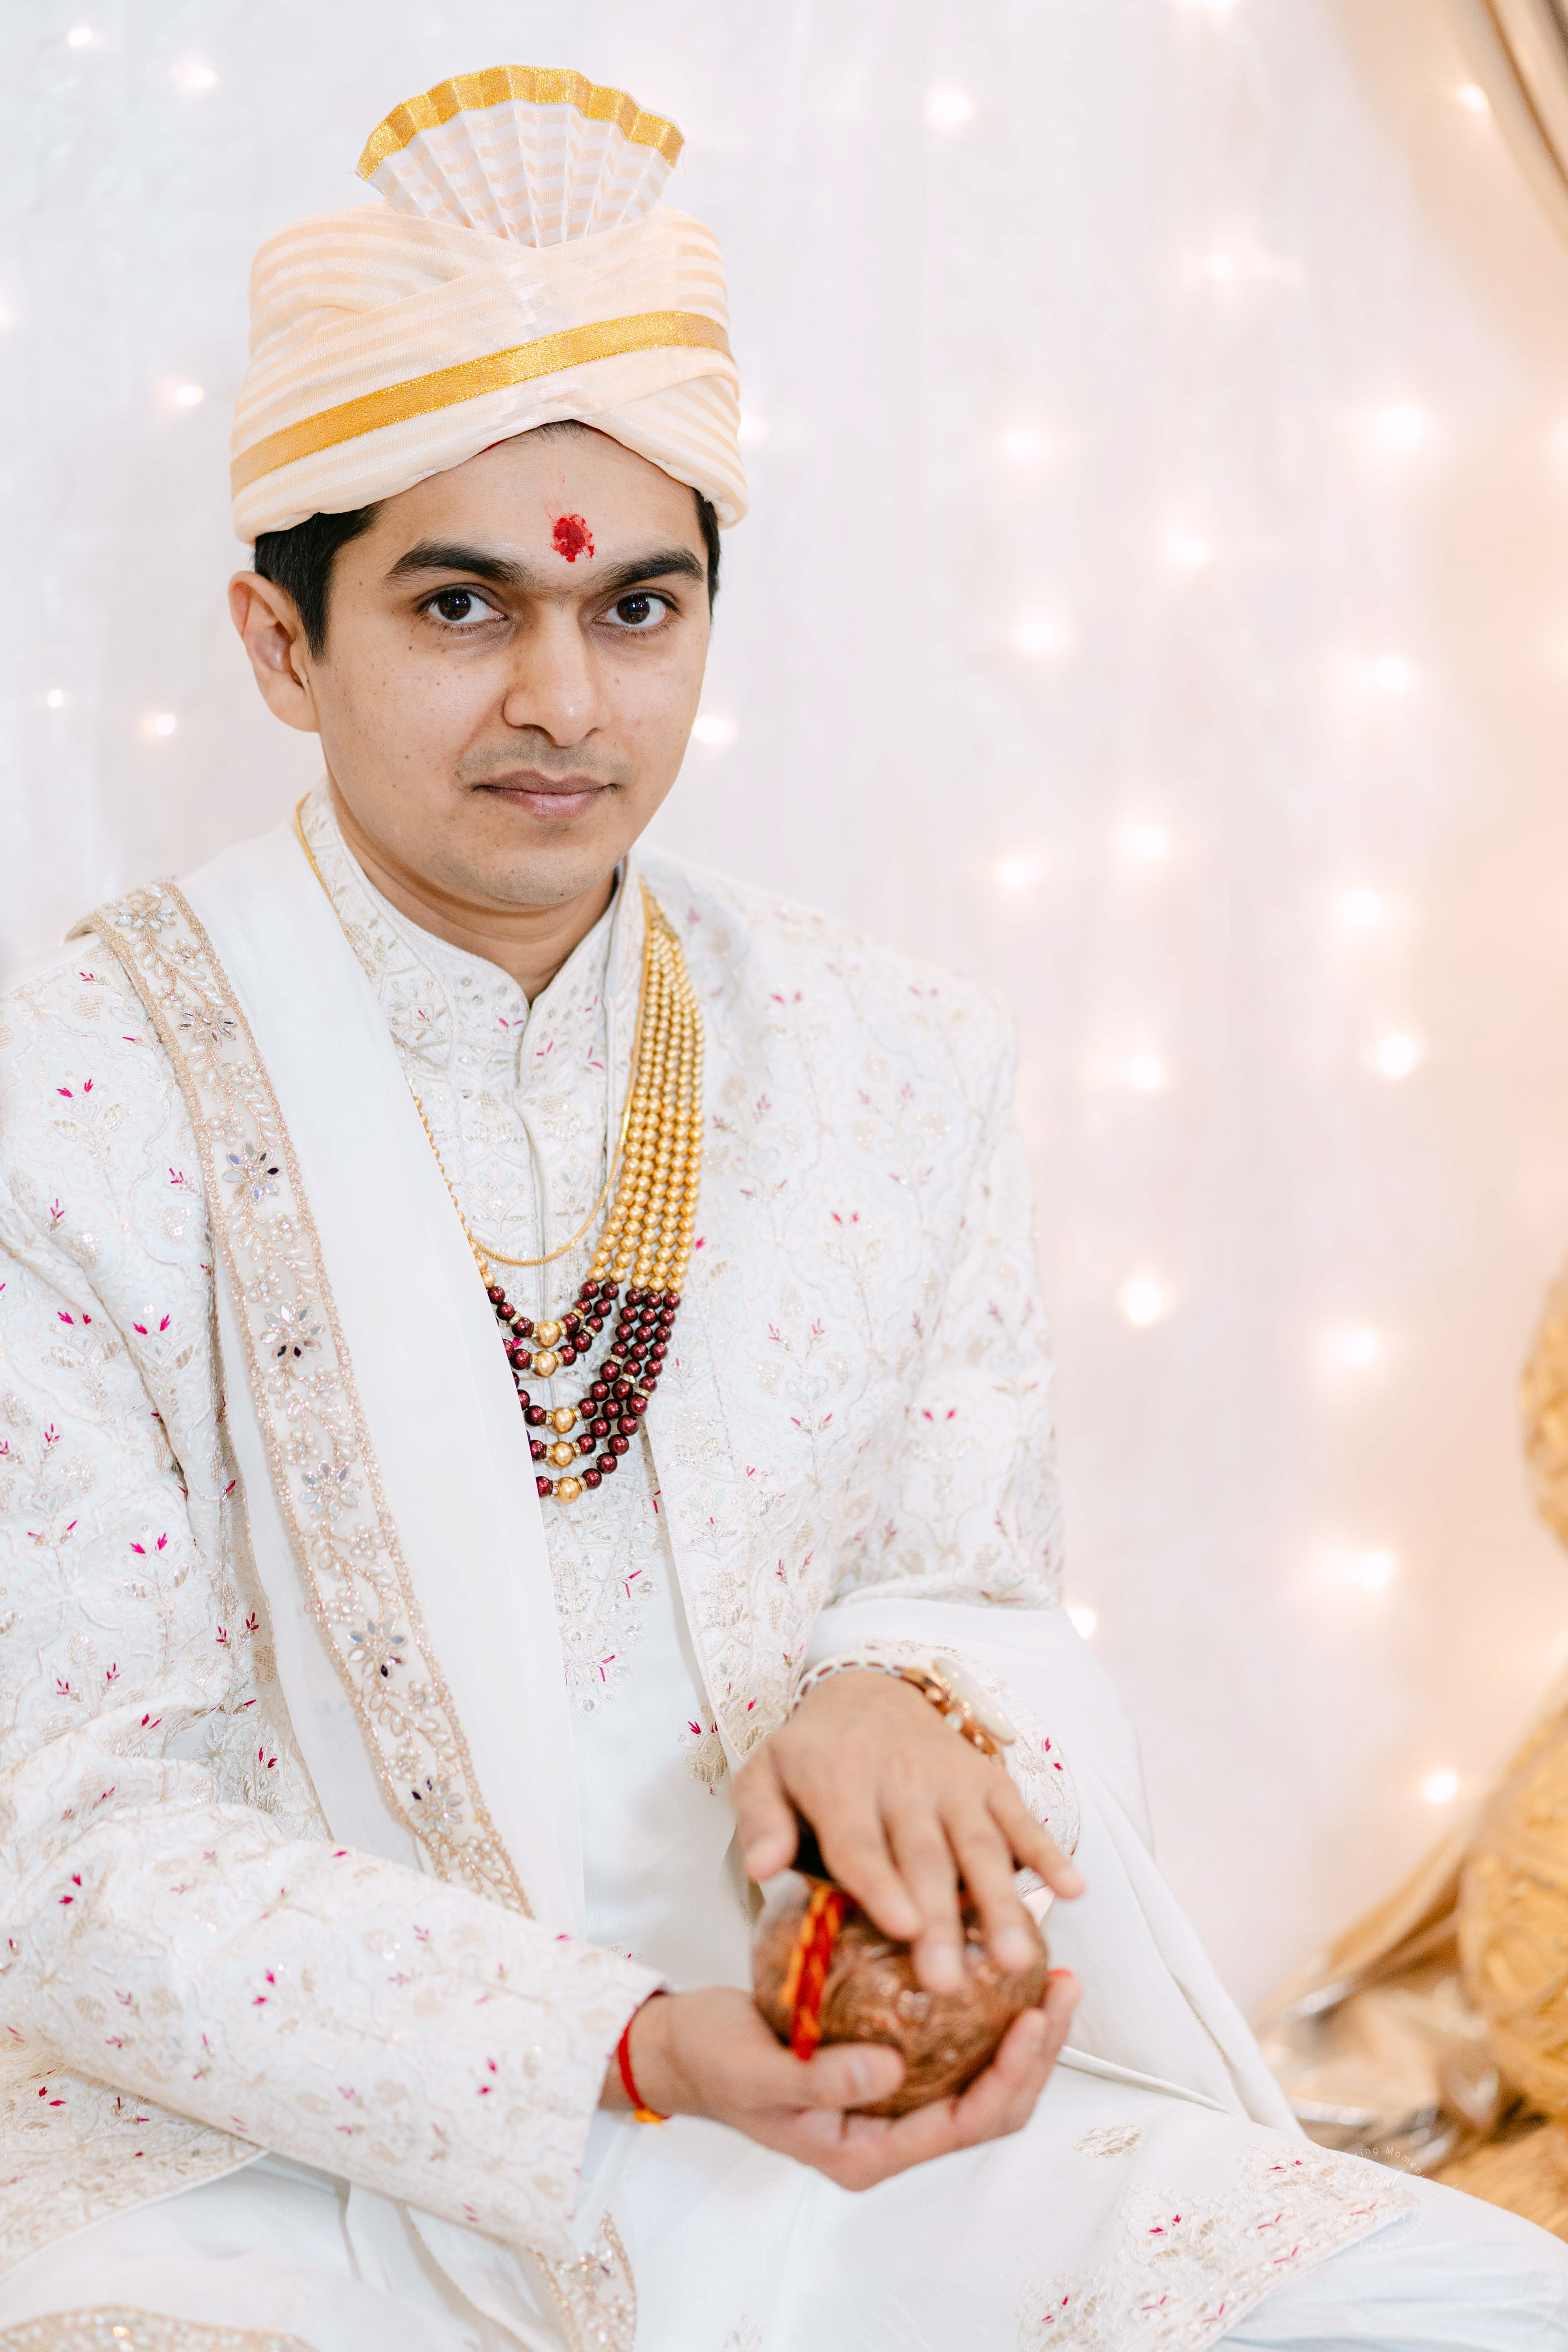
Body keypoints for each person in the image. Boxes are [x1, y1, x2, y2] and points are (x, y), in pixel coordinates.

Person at [1, 64, 1564, 2352]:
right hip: (269, 2174)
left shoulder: (890, 1061)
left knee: (1472, 2302)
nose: (564, 700)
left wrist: (901, 1695)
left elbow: (972, 1575)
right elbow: (65, 1839)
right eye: (463, 606)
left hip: (826, 2122)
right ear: (279, 643)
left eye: (638, 607)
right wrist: (619, 2051)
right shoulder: (68, 1104)